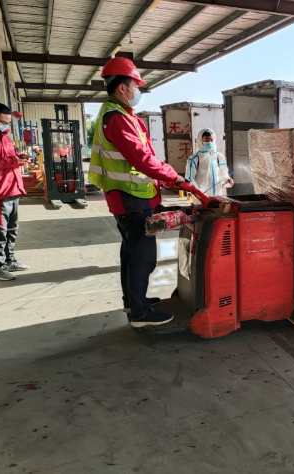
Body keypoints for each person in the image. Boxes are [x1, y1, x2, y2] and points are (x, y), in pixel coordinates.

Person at [89, 57, 185, 329]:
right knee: (143, 257)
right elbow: (141, 158)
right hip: (132, 198)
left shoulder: (114, 113)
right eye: (136, 86)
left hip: (125, 197)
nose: (138, 91)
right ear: (122, 88)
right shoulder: (118, 118)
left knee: (130, 254)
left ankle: (133, 301)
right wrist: (173, 176)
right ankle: (140, 314)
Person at [0, 103, 31, 281]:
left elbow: (9, 157)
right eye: (3, 122)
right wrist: (14, 161)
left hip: (13, 189)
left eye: (8, 123)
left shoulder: (6, 138)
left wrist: (19, 157)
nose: (6, 126)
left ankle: (9, 261)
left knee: (12, 229)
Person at [185, 128, 233, 202]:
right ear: (200, 140)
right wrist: (198, 192)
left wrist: (227, 180)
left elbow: (223, 173)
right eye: (206, 139)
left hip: (218, 196)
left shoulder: (219, 157)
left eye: (211, 139)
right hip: (201, 198)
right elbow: (190, 179)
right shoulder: (194, 159)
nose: (210, 142)